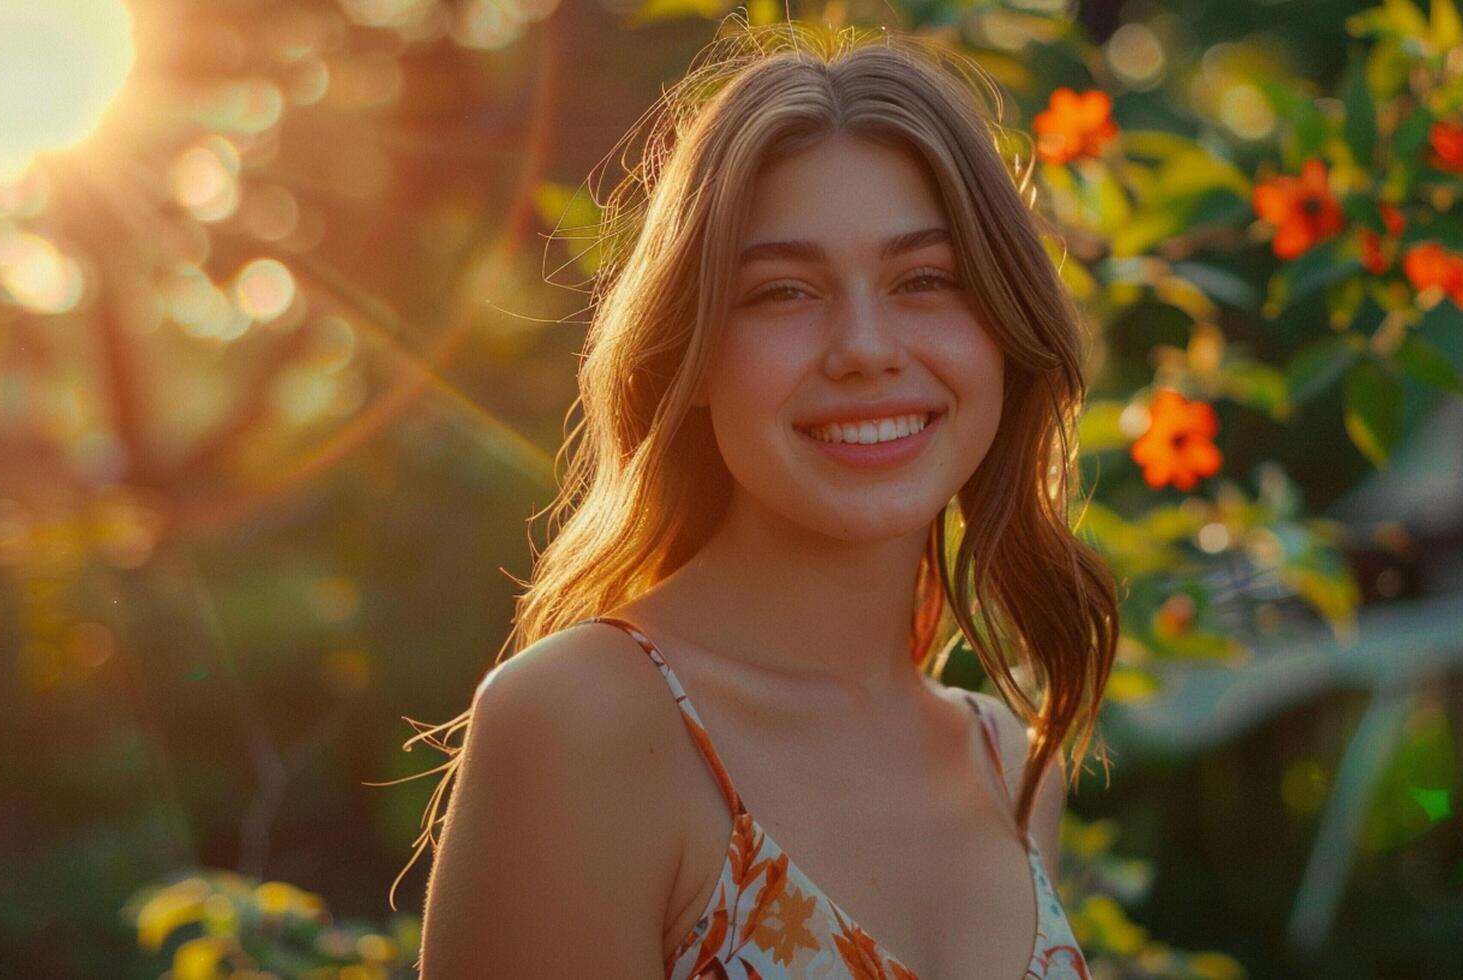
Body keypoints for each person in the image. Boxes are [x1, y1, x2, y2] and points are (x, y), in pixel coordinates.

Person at [406, 19, 1118, 979]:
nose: (864, 346)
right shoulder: (583, 723)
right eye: (784, 292)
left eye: (925, 279)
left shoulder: (1005, 763)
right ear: (691, 359)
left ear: (1004, 331)